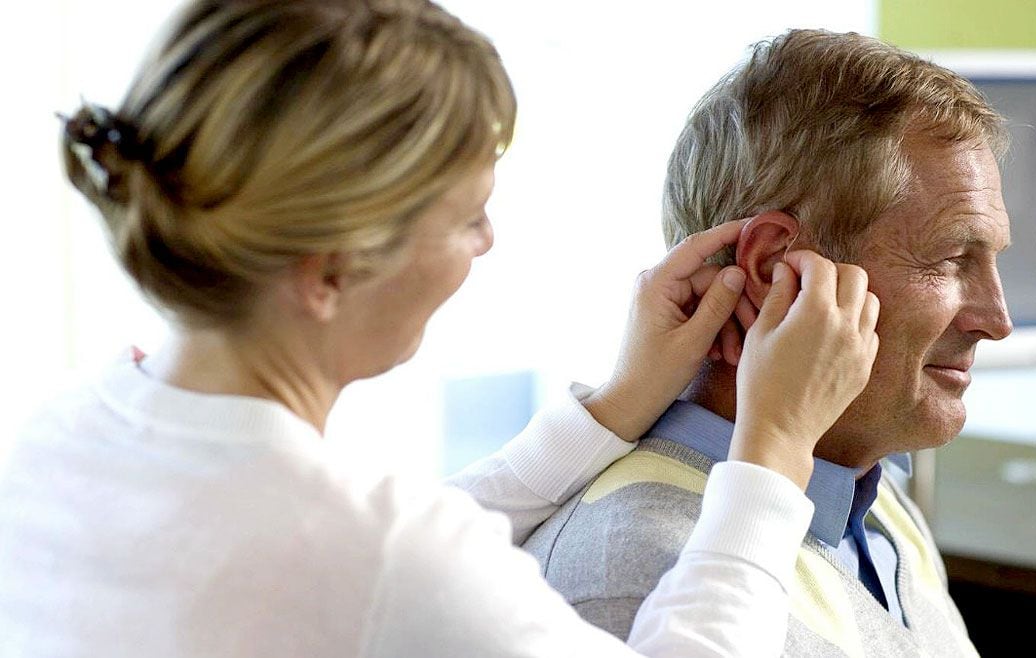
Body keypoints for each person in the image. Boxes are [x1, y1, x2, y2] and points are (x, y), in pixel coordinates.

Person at [0, 4, 881, 657]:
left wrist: (614, 408)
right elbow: (394, 567)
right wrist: (773, 451)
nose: (487, 243)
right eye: (468, 218)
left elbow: (382, 562)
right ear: (332, 268)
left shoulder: (65, 432)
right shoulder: (375, 552)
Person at [524, 28, 1013, 657]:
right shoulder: (632, 579)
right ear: (775, 267)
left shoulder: (868, 490)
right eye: (950, 259)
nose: (997, 319)